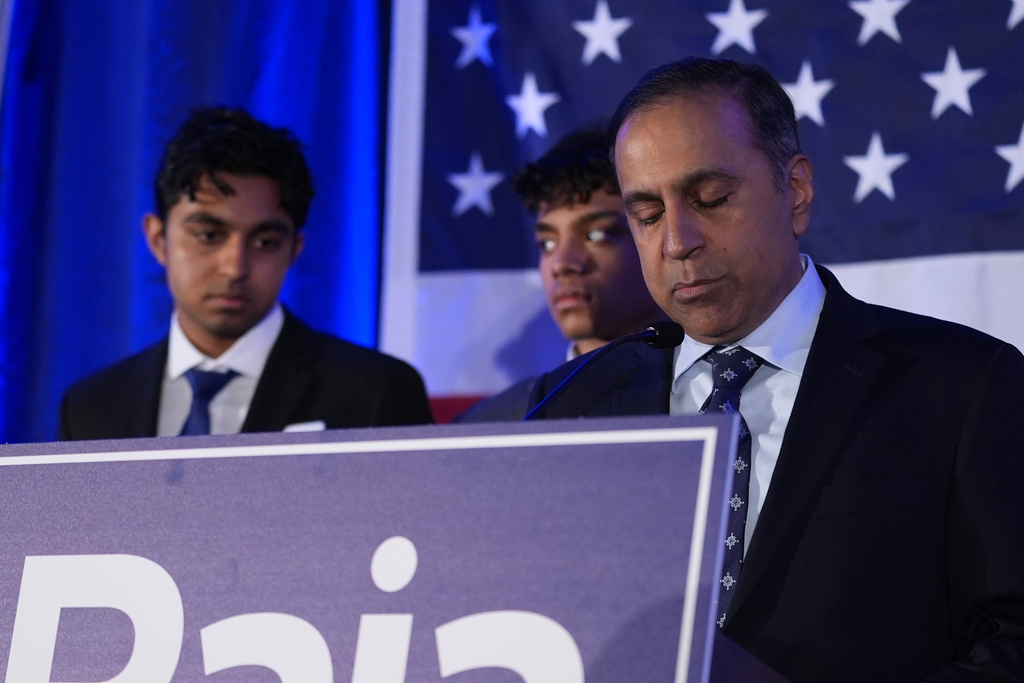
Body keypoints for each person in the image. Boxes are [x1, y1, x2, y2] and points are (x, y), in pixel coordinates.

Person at [525, 57, 1024, 681]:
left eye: (710, 199)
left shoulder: (963, 387)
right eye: (647, 214)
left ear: (797, 192)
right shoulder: (576, 403)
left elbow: (1013, 643)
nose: (677, 241)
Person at [59, 107, 433, 439]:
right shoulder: (91, 409)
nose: (235, 266)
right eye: (208, 235)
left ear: (294, 250)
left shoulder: (373, 392)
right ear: (158, 240)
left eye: (265, 242)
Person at [456, 129, 665, 422]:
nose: (563, 264)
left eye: (597, 234)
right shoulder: (489, 424)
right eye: (548, 244)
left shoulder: (717, 396)